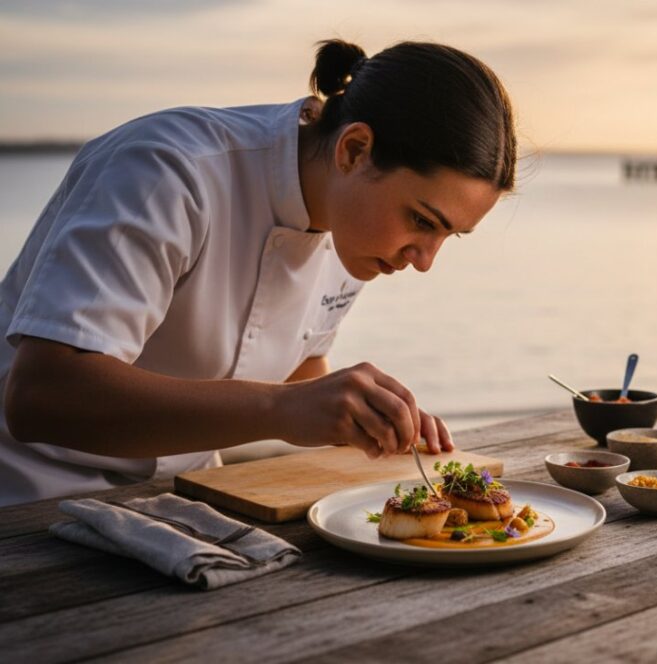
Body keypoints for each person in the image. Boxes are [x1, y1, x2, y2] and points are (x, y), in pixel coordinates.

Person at [0, 39, 516, 506]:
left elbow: (295, 365)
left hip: (182, 499)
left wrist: (364, 415)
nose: (424, 260)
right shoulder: (168, 171)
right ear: (354, 150)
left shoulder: (352, 223)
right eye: (422, 221)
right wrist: (279, 408)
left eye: (449, 235)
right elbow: (41, 397)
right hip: (30, 499)